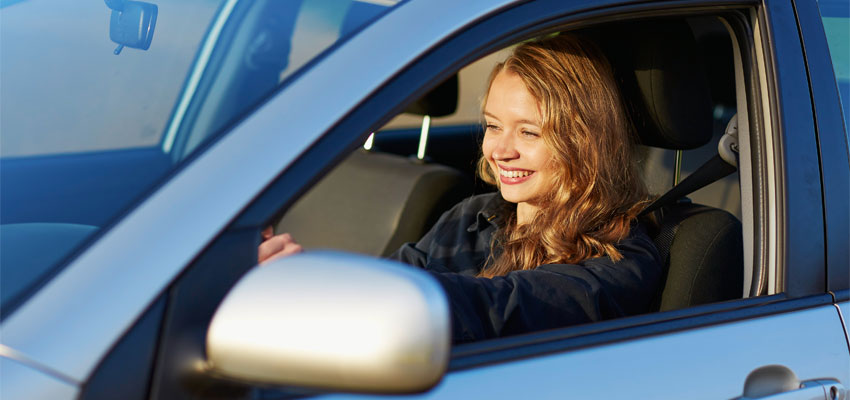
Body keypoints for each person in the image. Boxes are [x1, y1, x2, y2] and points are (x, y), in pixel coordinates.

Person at [259, 33, 661, 343]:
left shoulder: (620, 255)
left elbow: (501, 306)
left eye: (529, 132)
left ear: (583, 141)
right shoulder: (473, 217)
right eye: (492, 125)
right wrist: (305, 280)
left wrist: (333, 288)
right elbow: (389, 279)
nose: (500, 150)